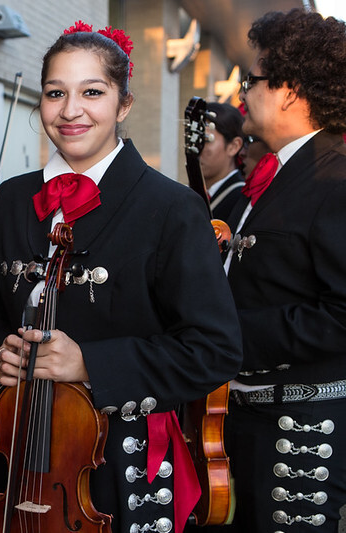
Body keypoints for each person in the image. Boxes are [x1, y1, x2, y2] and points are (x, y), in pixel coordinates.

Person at [0, 21, 242, 533]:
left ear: (123, 104)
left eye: (92, 93)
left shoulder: (172, 207)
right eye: (56, 93)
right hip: (21, 461)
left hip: (125, 464)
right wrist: (1, 359)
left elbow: (216, 349)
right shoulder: (13, 198)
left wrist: (91, 364)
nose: (71, 110)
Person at [223, 9, 346, 531]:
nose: (241, 93)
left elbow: (341, 314)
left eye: (252, 80)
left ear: (291, 90)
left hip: (297, 429)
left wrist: (224, 337)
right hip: (242, 421)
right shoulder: (278, 173)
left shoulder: (334, 178)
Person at [199, 102, 246, 221]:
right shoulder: (190, 192)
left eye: (206, 140)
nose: (197, 148)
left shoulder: (241, 199)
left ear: (234, 146)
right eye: (194, 140)